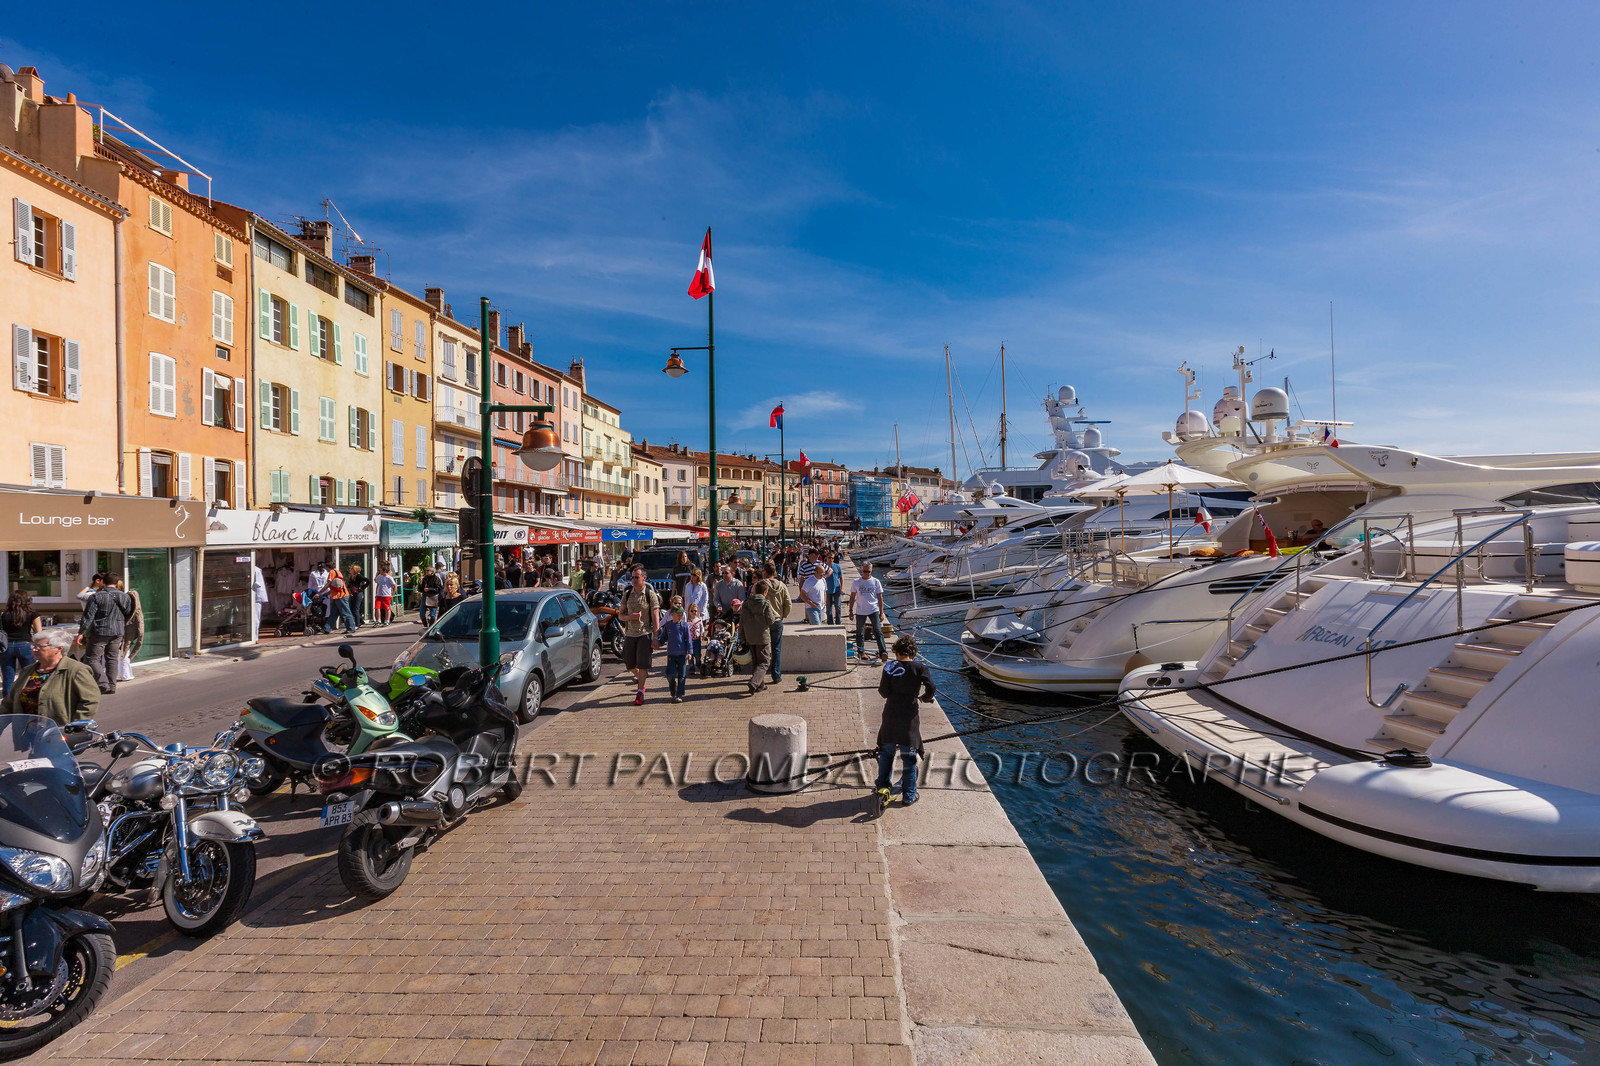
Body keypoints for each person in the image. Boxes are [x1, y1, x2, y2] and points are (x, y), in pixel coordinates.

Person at [876, 634, 936, 807]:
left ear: (896, 652)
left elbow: (883, 692)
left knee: (886, 753)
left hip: (890, 714)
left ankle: (882, 786)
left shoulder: (889, 667)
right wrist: (924, 697)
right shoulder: (920, 668)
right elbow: (931, 687)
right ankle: (909, 796)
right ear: (913, 653)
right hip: (909, 717)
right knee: (909, 758)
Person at [2, 629, 99, 724]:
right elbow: (9, 703)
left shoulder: (76, 670)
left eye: (40, 646)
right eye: (33, 645)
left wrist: (76, 726)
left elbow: (90, 700)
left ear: (59, 649)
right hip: (25, 734)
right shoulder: (27, 671)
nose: (33, 649)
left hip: (58, 734)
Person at [77, 572, 133, 695]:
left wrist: (82, 632)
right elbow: (128, 612)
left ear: (103, 582)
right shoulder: (125, 597)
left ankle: (103, 683)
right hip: (118, 630)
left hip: (100, 630)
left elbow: (88, 616)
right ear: (116, 582)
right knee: (112, 658)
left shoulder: (96, 596)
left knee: (92, 658)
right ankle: (112, 686)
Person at [619, 565, 661, 706]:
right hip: (630, 634)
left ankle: (640, 692)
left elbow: (655, 617)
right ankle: (640, 677)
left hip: (645, 633)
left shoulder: (650, 594)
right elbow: (620, 615)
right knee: (629, 662)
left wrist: (656, 637)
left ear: (644, 578)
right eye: (632, 577)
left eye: (637, 577)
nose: (634, 580)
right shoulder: (627, 594)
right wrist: (630, 617)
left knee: (643, 663)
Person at [738, 581, 779, 694]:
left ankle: (759, 685)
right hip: (762, 637)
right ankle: (754, 682)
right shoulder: (765, 603)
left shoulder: (746, 603)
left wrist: (741, 636)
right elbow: (770, 620)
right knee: (764, 662)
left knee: (756, 662)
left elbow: (741, 622)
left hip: (750, 637)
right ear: (765, 592)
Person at [0, 591, 42, 696]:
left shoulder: (4, 615)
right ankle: (29, 697)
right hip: (25, 644)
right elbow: (39, 633)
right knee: (29, 674)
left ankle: (8, 702)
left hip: (7, 646)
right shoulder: (32, 614)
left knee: (8, 676)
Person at [850, 561, 888, 662]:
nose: (867, 573)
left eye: (869, 571)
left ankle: (883, 651)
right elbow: (852, 596)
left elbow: (880, 598)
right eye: (865, 571)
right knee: (859, 632)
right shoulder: (856, 582)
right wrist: (850, 610)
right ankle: (861, 651)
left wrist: (881, 612)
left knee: (878, 631)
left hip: (873, 609)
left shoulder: (876, 581)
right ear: (862, 570)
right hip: (860, 611)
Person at [656, 603, 693, 704]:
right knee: (670, 674)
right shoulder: (668, 626)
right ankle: (673, 688)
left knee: (682, 675)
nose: (680, 616)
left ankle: (679, 694)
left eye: (681, 614)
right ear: (672, 614)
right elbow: (664, 637)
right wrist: (658, 643)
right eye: (678, 614)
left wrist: (689, 652)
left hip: (682, 654)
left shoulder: (684, 625)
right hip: (671, 654)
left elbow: (688, 639)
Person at [761, 563, 790, 684]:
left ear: (765, 572)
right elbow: (788, 603)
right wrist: (783, 615)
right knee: (776, 649)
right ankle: (776, 675)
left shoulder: (760, 586)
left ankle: (760, 675)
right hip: (777, 620)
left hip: (763, 621)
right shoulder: (782, 585)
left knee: (763, 649)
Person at [324, 567, 357, 635]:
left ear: (327, 567)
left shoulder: (332, 572)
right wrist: (328, 593)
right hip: (338, 596)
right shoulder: (337, 572)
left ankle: (351, 628)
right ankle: (327, 628)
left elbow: (329, 583)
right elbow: (336, 585)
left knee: (345, 612)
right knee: (334, 613)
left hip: (340, 596)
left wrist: (319, 592)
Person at [686, 602, 707, 674]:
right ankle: (691, 668)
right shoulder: (687, 621)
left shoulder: (699, 620)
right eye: (692, 611)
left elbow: (702, 628)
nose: (694, 612)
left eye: (695, 611)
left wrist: (702, 635)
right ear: (689, 611)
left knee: (697, 654)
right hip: (689, 640)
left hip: (697, 639)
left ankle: (698, 663)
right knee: (690, 655)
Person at [825, 551, 844, 625]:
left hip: (837, 589)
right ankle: (830, 623)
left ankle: (838, 623)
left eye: (832, 558)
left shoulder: (837, 566)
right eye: (829, 557)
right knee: (828, 608)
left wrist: (842, 588)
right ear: (826, 557)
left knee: (838, 607)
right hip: (827, 590)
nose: (831, 559)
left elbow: (841, 577)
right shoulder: (824, 566)